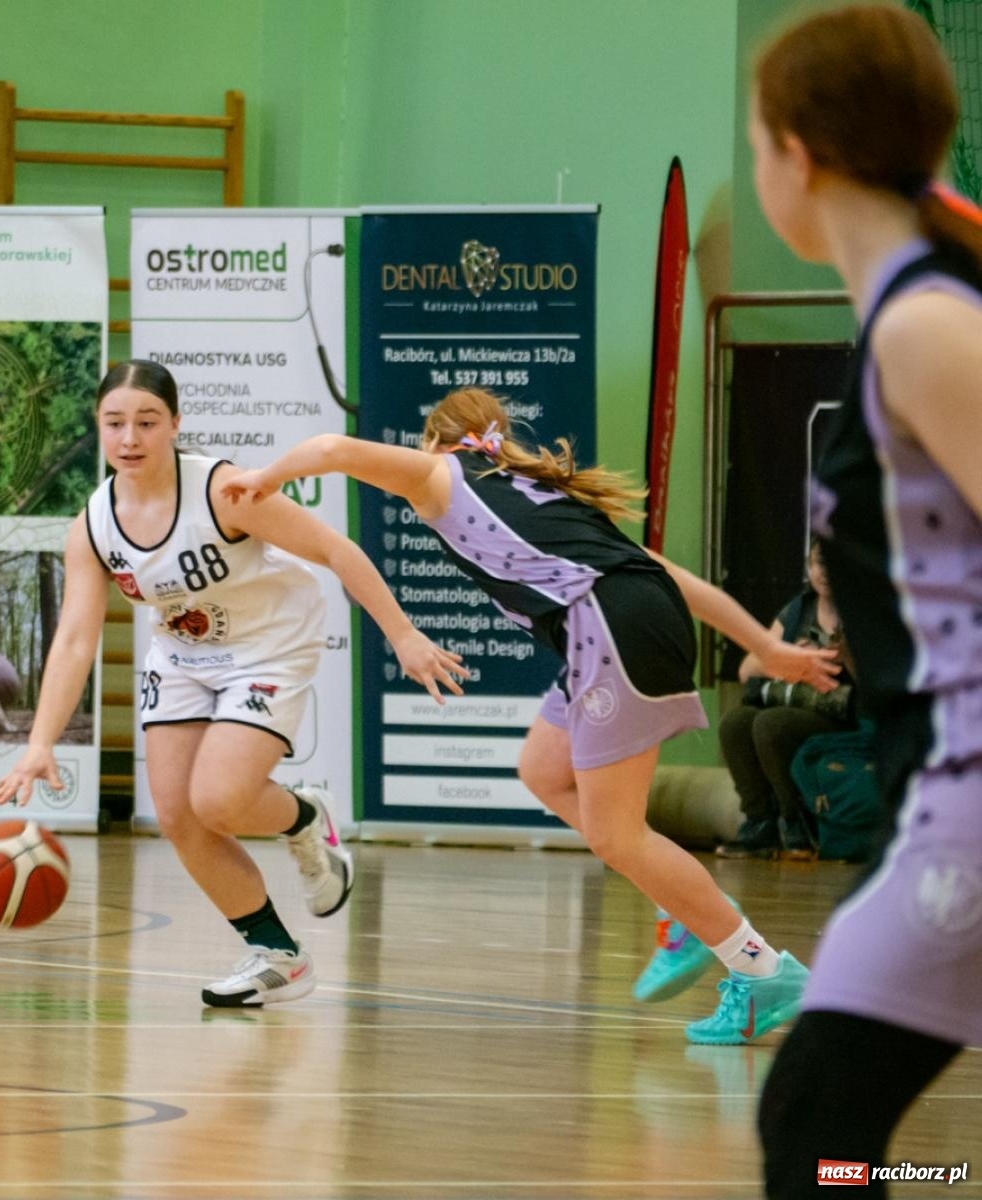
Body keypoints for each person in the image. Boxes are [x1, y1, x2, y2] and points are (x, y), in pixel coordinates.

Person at [224, 389, 838, 1043]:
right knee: (544, 770)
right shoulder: (534, 491)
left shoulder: (441, 473)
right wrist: (767, 646)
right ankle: (684, 907)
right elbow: (679, 581)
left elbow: (331, 449)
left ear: (438, 439)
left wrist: (265, 478)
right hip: (617, 620)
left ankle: (759, 965)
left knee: (617, 835)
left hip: (607, 626)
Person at [0, 360, 466, 1007]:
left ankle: (303, 817)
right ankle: (279, 956)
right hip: (184, 655)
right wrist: (40, 741)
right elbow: (75, 637)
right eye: (115, 423)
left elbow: (336, 551)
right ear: (99, 430)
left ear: (176, 425)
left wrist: (402, 634)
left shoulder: (221, 491)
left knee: (220, 799)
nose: (130, 437)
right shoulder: (94, 525)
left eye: (147, 422)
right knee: (181, 816)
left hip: (268, 644)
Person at [742, 8, 982, 1197]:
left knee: (818, 1134)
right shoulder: (908, 312)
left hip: (970, 803)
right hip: (931, 793)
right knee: (828, 1141)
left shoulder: (928, 326)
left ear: (799, 152)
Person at [718, 537, 856, 859]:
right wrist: (789, 658)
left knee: (771, 724)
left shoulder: (863, 610)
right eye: (817, 562)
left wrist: (846, 657)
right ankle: (760, 824)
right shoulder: (798, 609)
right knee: (736, 723)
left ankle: (797, 823)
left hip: (844, 711)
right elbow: (746, 669)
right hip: (798, 704)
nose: (824, 571)